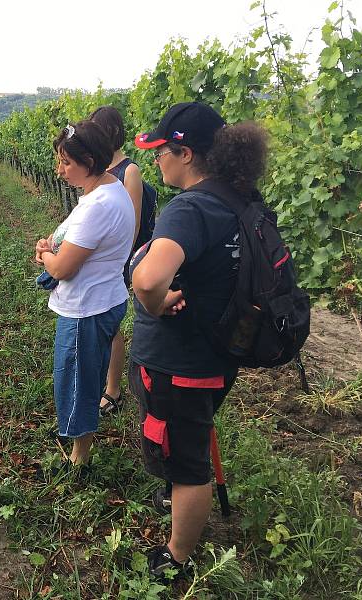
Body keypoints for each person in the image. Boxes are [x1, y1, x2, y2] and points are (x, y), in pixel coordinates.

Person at [128, 102, 269, 579]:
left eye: (162, 150)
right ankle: (177, 500)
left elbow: (148, 279)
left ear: (184, 153)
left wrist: (152, 302)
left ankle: (176, 559)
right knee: (190, 437)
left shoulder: (190, 208)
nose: (156, 161)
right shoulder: (242, 199)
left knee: (188, 464)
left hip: (180, 361)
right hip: (219, 353)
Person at [35, 120, 135, 468]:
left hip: (87, 308)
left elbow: (63, 269)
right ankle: (75, 432)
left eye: (65, 163)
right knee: (82, 373)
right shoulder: (107, 190)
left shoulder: (99, 205)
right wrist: (52, 248)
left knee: (78, 377)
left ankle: (79, 459)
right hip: (100, 299)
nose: (59, 171)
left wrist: (47, 256)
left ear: (88, 162)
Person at [89, 106, 146, 416]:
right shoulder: (101, 170)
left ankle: (113, 390)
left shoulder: (129, 171)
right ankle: (103, 382)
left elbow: (131, 228)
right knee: (101, 320)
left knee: (112, 324)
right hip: (100, 261)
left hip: (117, 262)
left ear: (108, 133)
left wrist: (114, 263)